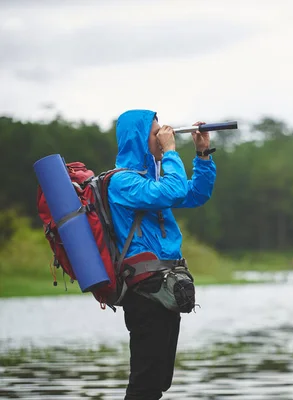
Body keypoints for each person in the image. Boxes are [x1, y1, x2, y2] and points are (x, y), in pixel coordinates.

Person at [106, 109, 217, 399]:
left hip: (165, 288)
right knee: (145, 382)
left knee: (158, 381)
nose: (163, 135)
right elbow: (174, 188)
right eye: (156, 132)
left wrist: (202, 155)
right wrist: (170, 151)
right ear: (138, 138)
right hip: (144, 293)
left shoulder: (152, 181)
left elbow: (195, 194)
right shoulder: (123, 183)